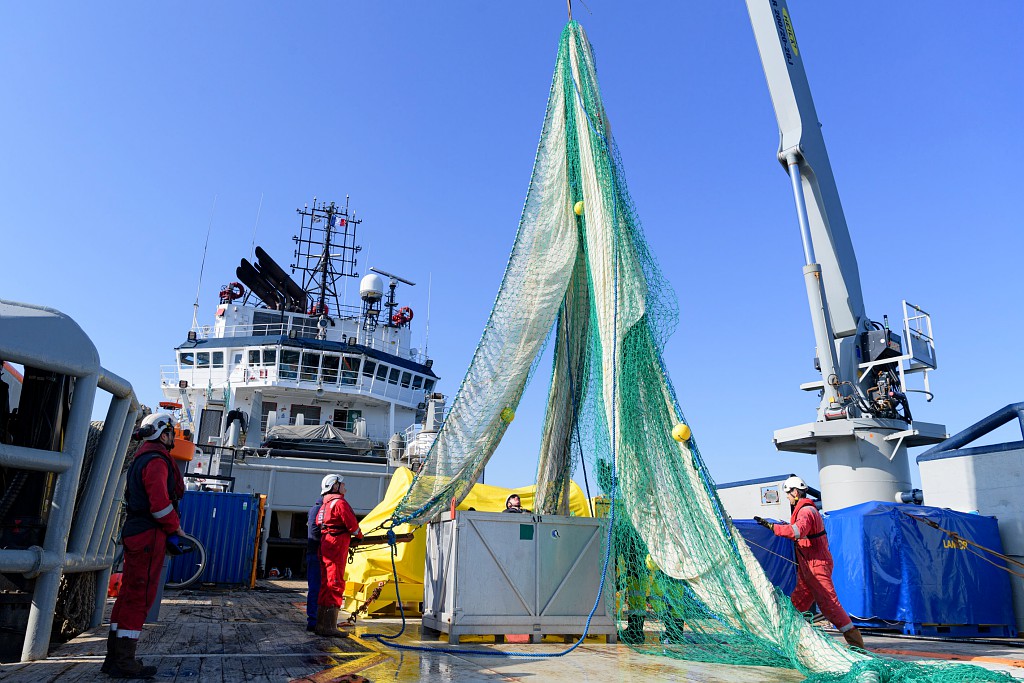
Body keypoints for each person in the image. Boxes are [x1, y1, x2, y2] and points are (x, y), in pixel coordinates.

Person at [103, 413, 188, 678]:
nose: (173, 437)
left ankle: (114, 657)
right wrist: (175, 527)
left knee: (128, 594)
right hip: (148, 536)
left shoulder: (143, 457)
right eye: (171, 432)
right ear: (163, 434)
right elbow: (160, 505)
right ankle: (124, 662)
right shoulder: (157, 462)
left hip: (137, 532)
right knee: (139, 597)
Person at [755, 476, 865, 650]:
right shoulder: (804, 511)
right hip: (808, 566)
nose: (788, 497)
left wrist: (773, 528)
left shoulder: (806, 511)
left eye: (789, 494)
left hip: (817, 565)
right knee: (797, 604)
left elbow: (798, 531)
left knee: (829, 605)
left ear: (796, 492)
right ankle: (789, 642)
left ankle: (857, 645)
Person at [315, 474, 362, 638]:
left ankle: (320, 624)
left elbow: (317, 523)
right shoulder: (339, 503)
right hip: (336, 546)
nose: (345, 487)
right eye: (342, 484)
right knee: (335, 583)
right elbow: (352, 525)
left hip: (325, 544)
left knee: (325, 584)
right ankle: (329, 627)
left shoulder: (324, 505)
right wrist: (359, 536)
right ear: (335, 486)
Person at [305, 486, 324, 632]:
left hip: (315, 553)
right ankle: (313, 620)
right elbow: (317, 531)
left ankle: (315, 619)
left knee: (316, 588)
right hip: (317, 554)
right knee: (316, 588)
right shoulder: (321, 510)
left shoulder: (315, 509)